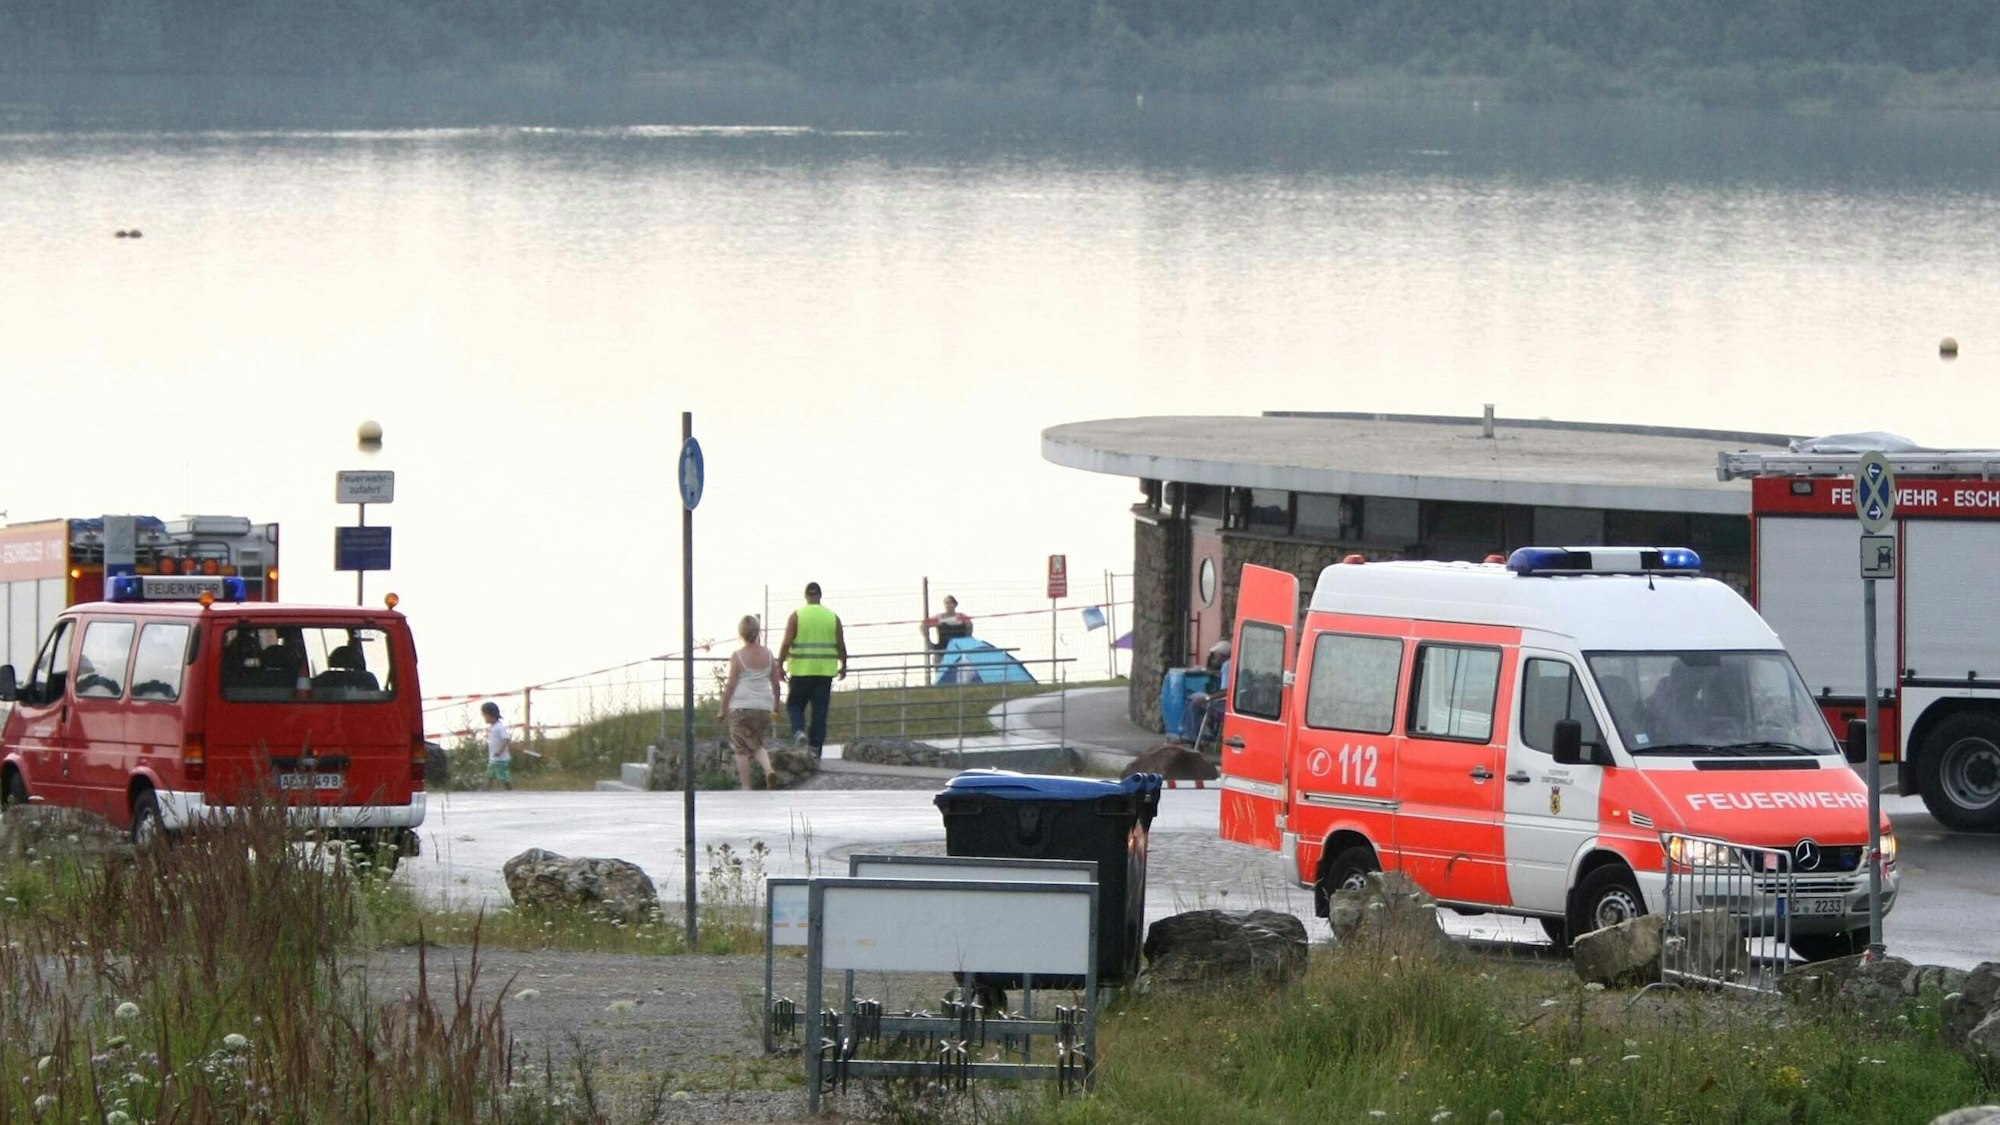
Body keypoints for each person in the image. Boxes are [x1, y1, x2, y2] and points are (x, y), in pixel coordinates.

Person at [777, 581, 847, 759]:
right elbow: (840, 644)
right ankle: (816, 750)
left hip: (800, 671)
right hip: (824, 673)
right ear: (820, 596)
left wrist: (780, 665)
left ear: (806, 596)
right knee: (820, 713)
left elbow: (786, 642)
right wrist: (844, 665)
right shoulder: (832, 617)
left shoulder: (797, 616)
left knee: (795, 705)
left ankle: (799, 731)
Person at [719, 614, 782, 790]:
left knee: (741, 749)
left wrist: (723, 709)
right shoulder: (768, 655)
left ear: (741, 634)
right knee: (757, 744)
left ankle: (746, 787)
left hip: (740, 706)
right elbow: (776, 685)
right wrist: (776, 707)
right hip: (763, 707)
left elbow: (731, 685)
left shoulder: (738, 656)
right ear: (758, 632)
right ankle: (768, 769)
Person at [921, 595, 974, 675]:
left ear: (955, 605)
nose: (948, 605)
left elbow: (969, 625)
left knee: (960, 673)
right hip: (942, 649)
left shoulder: (961, 616)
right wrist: (928, 641)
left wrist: (967, 639)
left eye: (950, 603)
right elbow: (923, 625)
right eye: (946, 603)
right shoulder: (939, 617)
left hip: (959, 650)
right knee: (941, 673)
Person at [481, 701, 513, 790]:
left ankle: (509, 790)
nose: (484, 718)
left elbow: (505, 739)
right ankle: (486, 789)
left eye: (485, 716)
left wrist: (499, 750)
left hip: (500, 759)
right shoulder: (492, 727)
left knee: (503, 777)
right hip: (493, 758)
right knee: (490, 774)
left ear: (491, 715)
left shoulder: (500, 727)